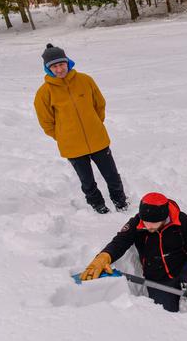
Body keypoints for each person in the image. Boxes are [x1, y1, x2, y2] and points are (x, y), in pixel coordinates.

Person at [80, 193, 187, 312]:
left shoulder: (181, 221)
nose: (148, 226)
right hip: (157, 277)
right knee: (165, 314)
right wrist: (104, 256)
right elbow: (120, 241)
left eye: (154, 223)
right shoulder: (137, 223)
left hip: (183, 266)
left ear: (164, 218)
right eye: (146, 221)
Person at [33, 43, 128, 214]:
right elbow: (46, 122)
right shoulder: (44, 92)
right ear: (48, 69)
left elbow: (99, 104)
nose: (59, 69)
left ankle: (120, 200)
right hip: (72, 146)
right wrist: (62, 135)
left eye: (61, 64)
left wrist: (95, 124)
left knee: (112, 175)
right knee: (87, 180)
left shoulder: (85, 80)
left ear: (68, 62)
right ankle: (96, 203)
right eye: (54, 66)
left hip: (97, 139)